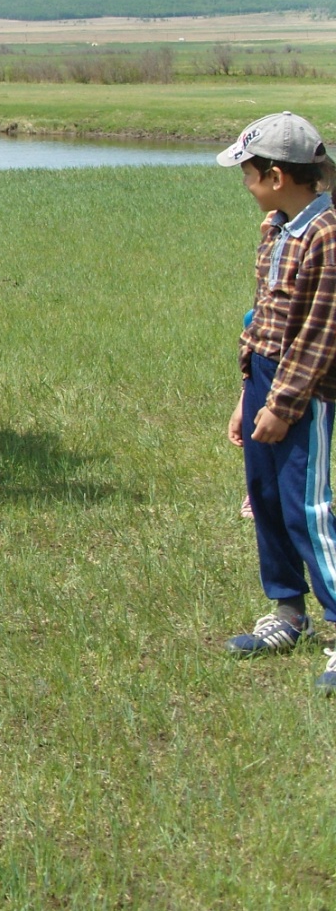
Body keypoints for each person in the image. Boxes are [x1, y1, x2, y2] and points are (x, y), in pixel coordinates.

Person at [216, 112, 336, 692]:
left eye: (249, 173)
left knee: (305, 508)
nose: (246, 184)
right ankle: (288, 610)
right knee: (263, 497)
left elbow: (319, 334)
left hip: (304, 392)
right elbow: (262, 317)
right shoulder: (275, 228)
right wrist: (248, 393)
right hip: (266, 381)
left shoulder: (327, 235)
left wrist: (283, 404)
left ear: (278, 174)